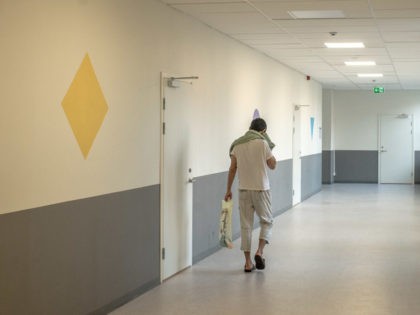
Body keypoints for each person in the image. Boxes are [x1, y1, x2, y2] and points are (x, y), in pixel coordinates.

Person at [225, 118, 276, 272]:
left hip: (243, 190)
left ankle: (248, 263)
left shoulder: (237, 144)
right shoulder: (263, 143)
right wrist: (267, 144)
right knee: (267, 221)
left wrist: (228, 190)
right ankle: (259, 252)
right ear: (263, 131)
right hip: (261, 189)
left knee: (246, 226)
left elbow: (232, 168)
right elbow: (273, 165)